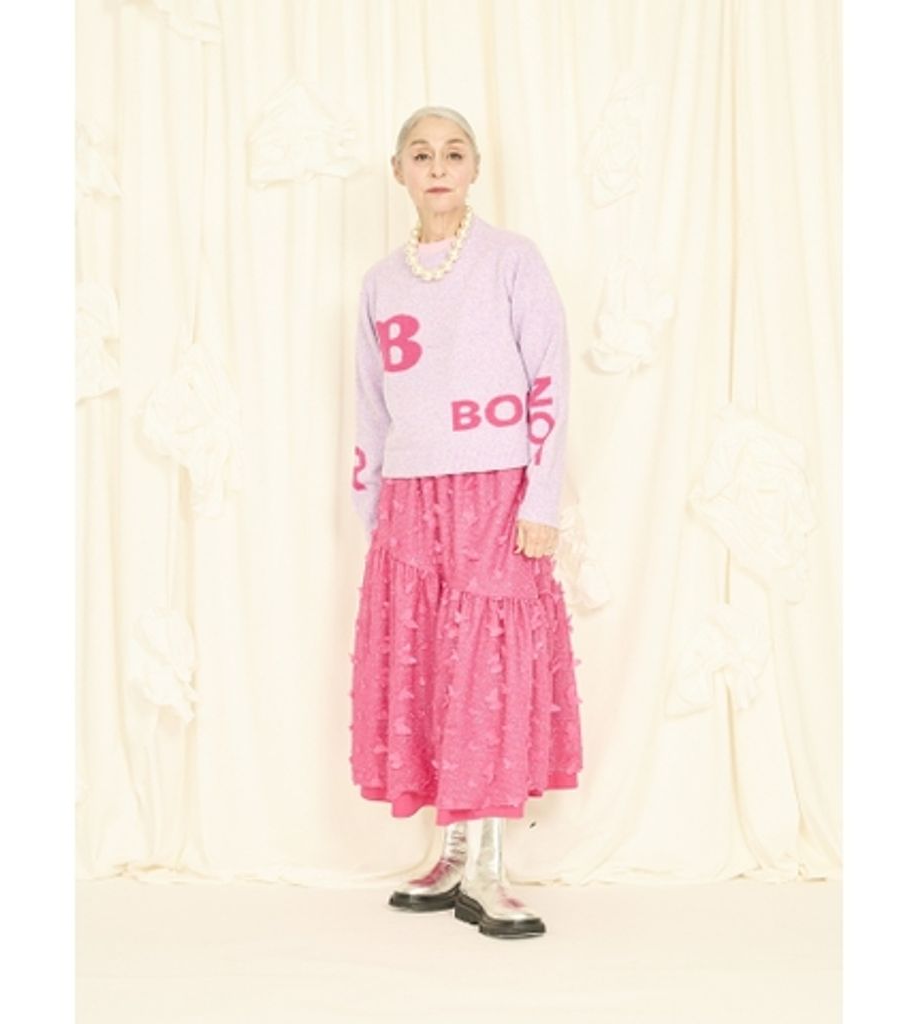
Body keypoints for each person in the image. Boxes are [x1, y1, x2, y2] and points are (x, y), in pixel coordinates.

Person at [348, 106, 583, 939]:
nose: (438, 166)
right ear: (399, 171)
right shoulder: (381, 282)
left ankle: (490, 865)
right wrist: (374, 506)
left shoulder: (512, 260)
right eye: (421, 154)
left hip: (495, 488)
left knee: (489, 668)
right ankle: (450, 851)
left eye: (453, 153)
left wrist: (541, 499)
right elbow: (370, 403)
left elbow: (549, 376)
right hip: (413, 499)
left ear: (475, 167)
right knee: (431, 668)